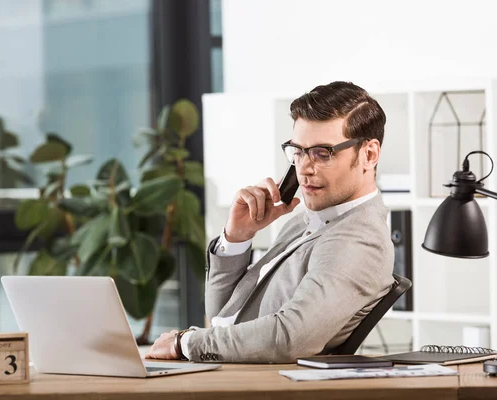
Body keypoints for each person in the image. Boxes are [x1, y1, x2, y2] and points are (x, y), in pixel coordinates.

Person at [145, 81, 395, 363]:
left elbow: (291, 338)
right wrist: (236, 238)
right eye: (298, 151)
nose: (304, 169)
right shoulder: (302, 223)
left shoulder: (359, 240)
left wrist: (185, 343)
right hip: (233, 374)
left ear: (369, 155)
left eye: (323, 153)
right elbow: (223, 316)